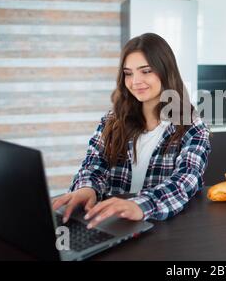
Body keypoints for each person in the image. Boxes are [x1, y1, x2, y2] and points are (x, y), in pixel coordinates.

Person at [52, 33, 211, 229]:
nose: (135, 81)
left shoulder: (192, 127)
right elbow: (93, 165)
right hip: (113, 227)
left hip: (164, 231)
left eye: (146, 71)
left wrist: (140, 206)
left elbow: (185, 182)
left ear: (165, 71)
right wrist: (87, 188)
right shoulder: (113, 121)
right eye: (128, 73)